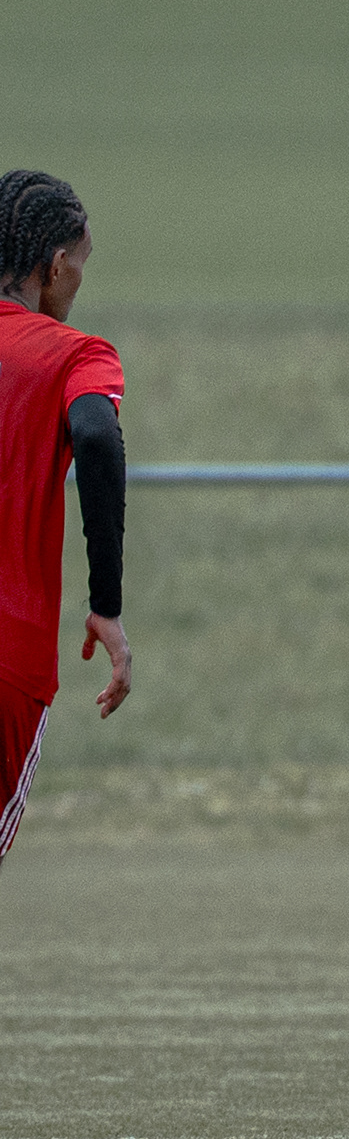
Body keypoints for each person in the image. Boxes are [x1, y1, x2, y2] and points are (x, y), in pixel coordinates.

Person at [0, 171, 131, 867]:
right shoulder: (74, 353)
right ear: (54, 267)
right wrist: (105, 605)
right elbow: (97, 437)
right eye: (80, 263)